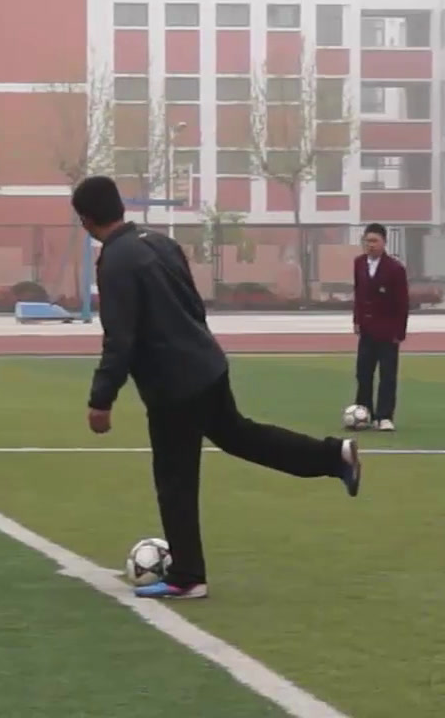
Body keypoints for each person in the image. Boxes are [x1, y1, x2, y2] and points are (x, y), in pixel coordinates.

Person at [72, 175, 360, 600]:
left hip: (174, 384)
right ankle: (334, 456)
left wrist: (101, 399)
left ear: (85, 219)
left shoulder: (115, 261)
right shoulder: (161, 242)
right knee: (242, 436)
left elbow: (121, 337)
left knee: (175, 478)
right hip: (207, 363)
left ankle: (188, 576)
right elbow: (193, 303)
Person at [352, 222, 408, 432]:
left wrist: (399, 332)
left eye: (375, 241)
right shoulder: (359, 263)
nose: (371, 245)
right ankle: (364, 413)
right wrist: (357, 320)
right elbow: (358, 294)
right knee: (363, 374)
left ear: (384, 242)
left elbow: (402, 302)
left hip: (388, 331)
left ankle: (384, 416)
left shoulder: (395, 268)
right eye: (367, 241)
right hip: (366, 330)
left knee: (387, 376)